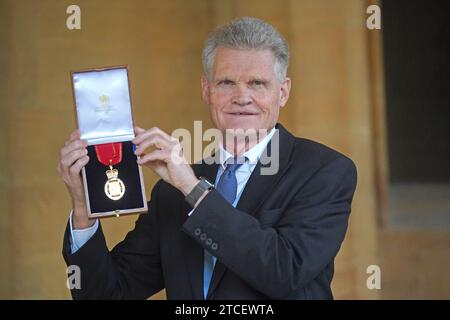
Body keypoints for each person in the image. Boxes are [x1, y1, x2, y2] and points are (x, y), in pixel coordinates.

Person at [59, 17, 357, 300]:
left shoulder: (325, 171)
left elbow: (283, 271)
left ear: (283, 92)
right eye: (226, 83)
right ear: (207, 90)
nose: (241, 97)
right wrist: (84, 208)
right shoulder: (172, 190)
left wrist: (193, 189)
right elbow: (108, 294)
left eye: (257, 83)